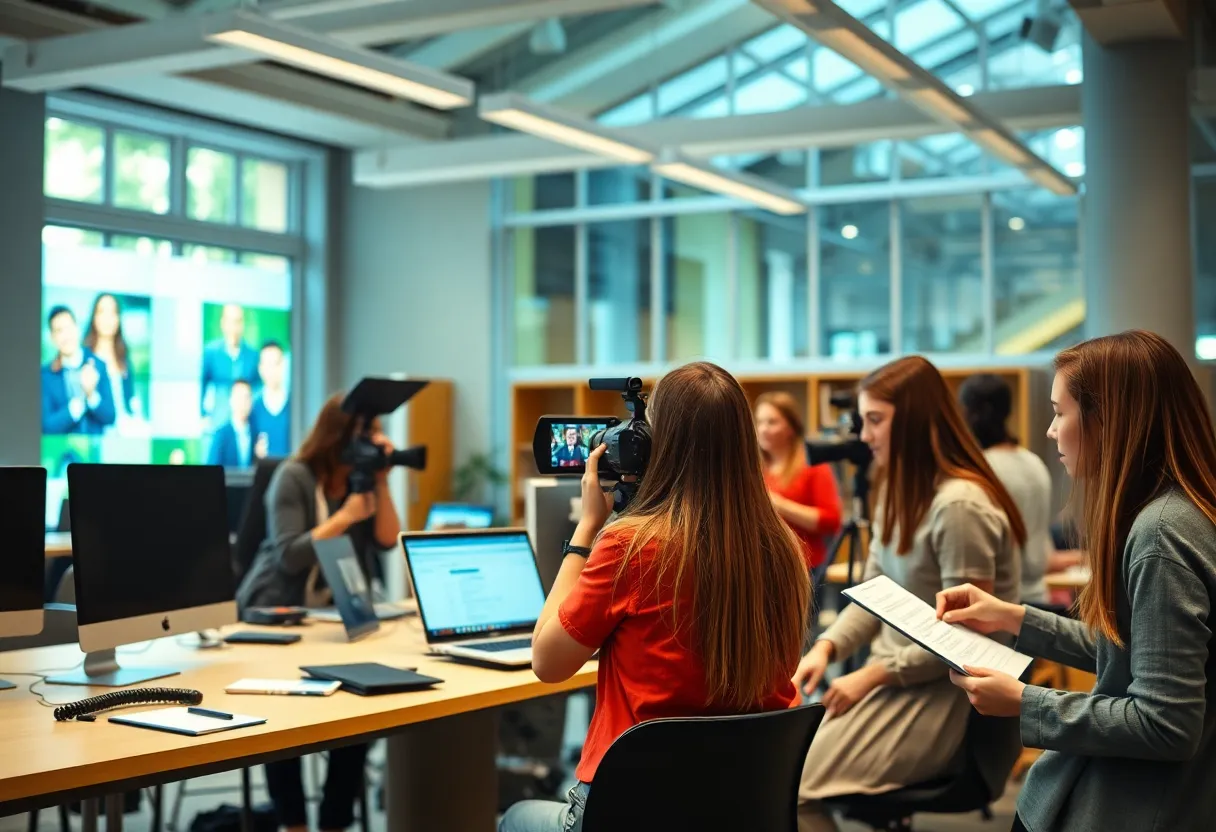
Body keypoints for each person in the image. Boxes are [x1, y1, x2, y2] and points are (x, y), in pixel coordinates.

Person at [499, 362, 810, 832]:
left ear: (658, 447)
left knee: (516, 818)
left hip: (629, 812)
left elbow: (547, 662)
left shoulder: (631, 547)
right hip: (739, 811)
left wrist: (586, 528)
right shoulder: (784, 548)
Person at [938, 330, 1216, 832]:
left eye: (1059, 412)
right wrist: (1011, 615)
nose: (1050, 431)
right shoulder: (1176, 513)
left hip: (1126, 805)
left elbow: (1166, 724)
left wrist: (1026, 702)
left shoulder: (1161, 534)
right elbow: (1132, 650)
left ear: (1108, 419)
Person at [794, 356, 1024, 832]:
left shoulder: (959, 506)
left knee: (793, 793)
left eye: (875, 420)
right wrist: (827, 646)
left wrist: (873, 675)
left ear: (916, 422)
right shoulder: (900, 492)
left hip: (944, 697)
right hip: (898, 684)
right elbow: (873, 597)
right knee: (785, 781)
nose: (864, 436)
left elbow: (966, 643)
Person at [236, 394, 402, 832]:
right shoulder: (293, 476)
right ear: (340, 435)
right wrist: (346, 516)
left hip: (334, 621)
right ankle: (294, 825)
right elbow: (290, 554)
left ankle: (332, 824)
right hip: (275, 613)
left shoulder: (361, 481)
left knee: (360, 715)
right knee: (281, 718)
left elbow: (387, 538)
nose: (375, 441)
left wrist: (381, 482)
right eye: (367, 433)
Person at [958, 374, 1057, 604]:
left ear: (969, 414)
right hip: (1041, 598)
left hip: (1002, 604)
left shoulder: (980, 472)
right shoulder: (1034, 462)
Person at [755, 392, 843, 571]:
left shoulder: (813, 466)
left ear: (791, 427)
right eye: (759, 422)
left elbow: (831, 520)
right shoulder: (754, 468)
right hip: (763, 567)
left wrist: (780, 505)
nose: (763, 429)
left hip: (805, 568)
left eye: (772, 422)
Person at [41, 305, 117, 435]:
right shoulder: (46, 375)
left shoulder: (98, 365)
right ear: (53, 338)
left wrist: (91, 395)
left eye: (69, 328)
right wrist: (75, 408)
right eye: (59, 331)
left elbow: (110, 416)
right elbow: (47, 426)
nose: (66, 336)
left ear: (77, 329)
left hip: (94, 450)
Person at [82, 292, 141, 421]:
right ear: (94, 317)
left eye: (113, 312)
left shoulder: (123, 357)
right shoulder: (85, 357)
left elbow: (130, 399)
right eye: (102, 312)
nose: (108, 319)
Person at [201, 303, 258, 430]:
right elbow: (202, 385)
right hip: (218, 419)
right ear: (223, 323)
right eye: (230, 321)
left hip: (245, 424)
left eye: (238, 321)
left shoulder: (252, 356)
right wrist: (203, 414)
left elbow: (258, 390)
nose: (234, 327)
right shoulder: (211, 352)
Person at [251, 340, 291, 458]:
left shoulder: (295, 405)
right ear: (260, 368)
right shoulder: (253, 406)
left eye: (276, 363)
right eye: (268, 364)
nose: (272, 370)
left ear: (284, 365)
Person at [207, 381, 259, 468]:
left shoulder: (255, 434)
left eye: (246, 398)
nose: (243, 403)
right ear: (231, 400)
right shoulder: (221, 435)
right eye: (239, 398)